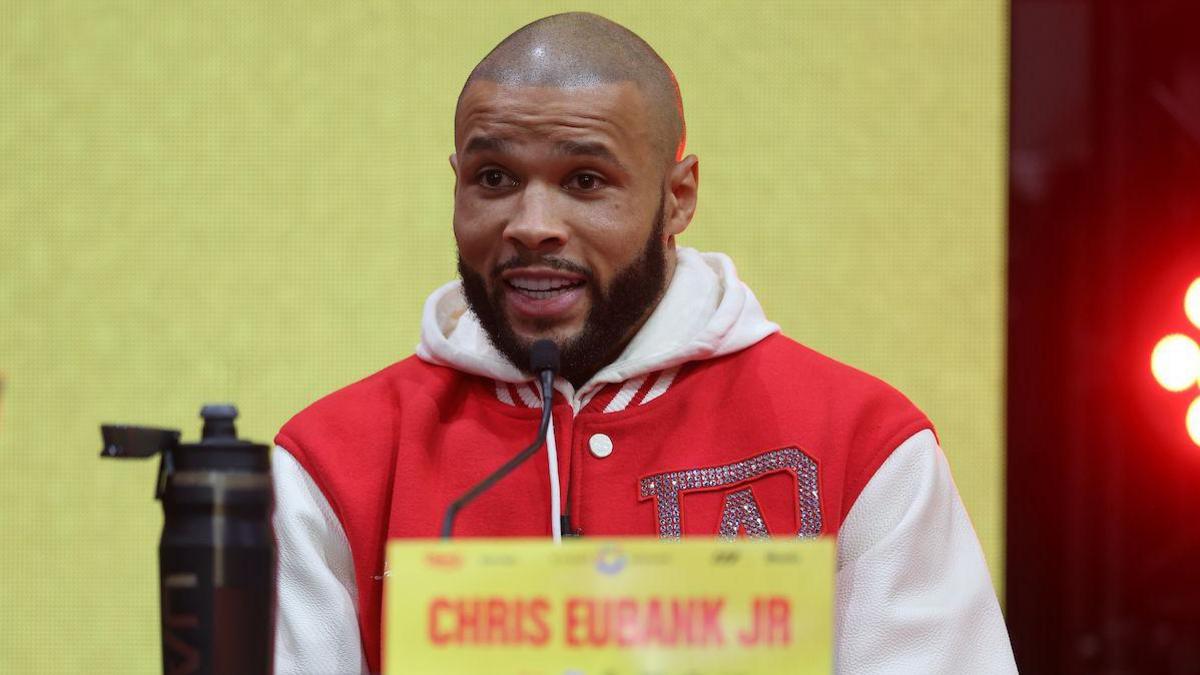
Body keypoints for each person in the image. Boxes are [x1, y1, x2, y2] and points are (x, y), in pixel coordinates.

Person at [271, 12, 1017, 674]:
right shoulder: (331, 463)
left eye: (586, 180)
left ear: (678, 197)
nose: (532, 223)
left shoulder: (862, 442)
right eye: (494, 177)